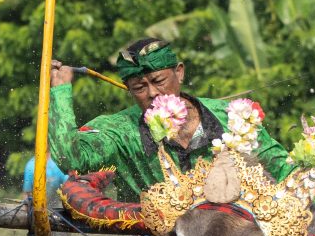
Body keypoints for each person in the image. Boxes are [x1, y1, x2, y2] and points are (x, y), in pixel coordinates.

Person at [45, 36, 293, 198]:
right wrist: (60, 91)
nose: (152, 93)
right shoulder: (119, 130)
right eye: (140, 87)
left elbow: (284, 170)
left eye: (158, 81)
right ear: (128, 89)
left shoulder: (234, 117)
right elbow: (70, 158)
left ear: (180, 73)